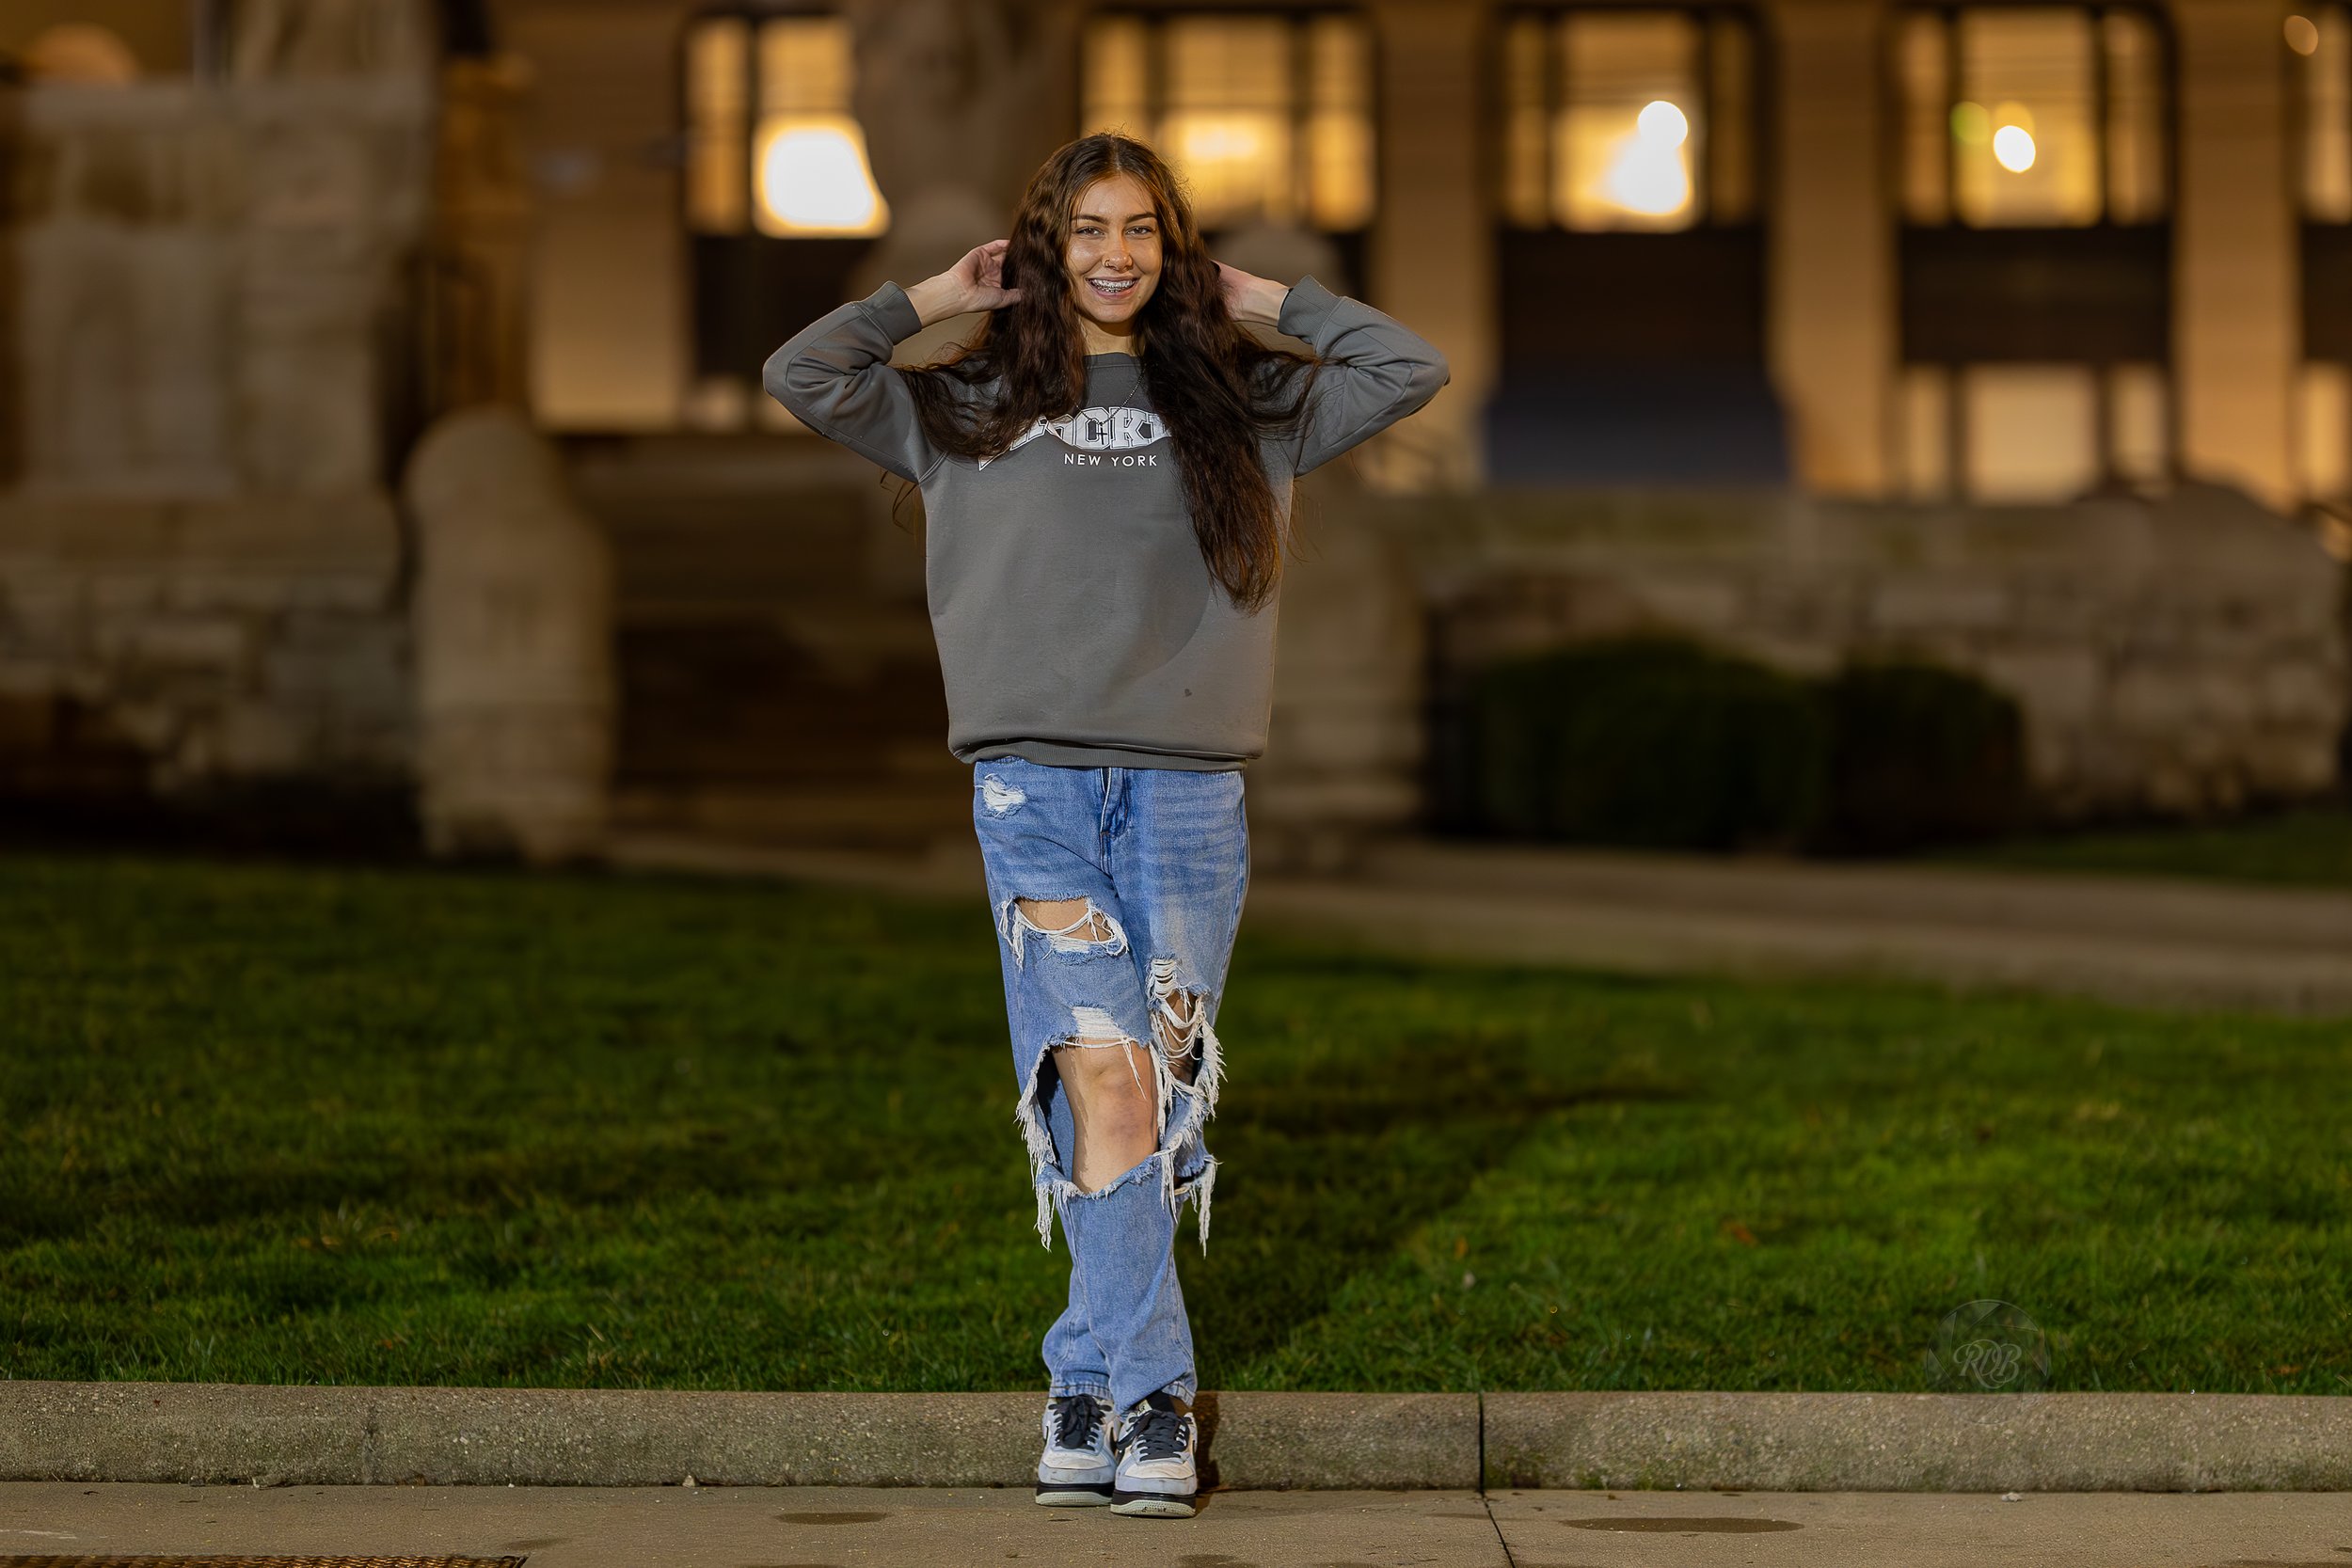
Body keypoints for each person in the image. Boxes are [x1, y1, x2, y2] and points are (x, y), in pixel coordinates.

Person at [764, 131, 1449, 1520]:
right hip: (1034, 790)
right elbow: (803, 374)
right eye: (1086, 229)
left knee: (1155, 1083)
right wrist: (931, 303)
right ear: (1043, 245)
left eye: (1142, 229)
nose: (1116, 254)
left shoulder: (1244, 400)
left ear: (1170, 244)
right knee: (1107, 1080)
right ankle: (1155, 1404)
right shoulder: (969, 399)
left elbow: (1406, 369)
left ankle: (1079, 1376)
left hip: (1190, 793)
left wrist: (1260, 300)